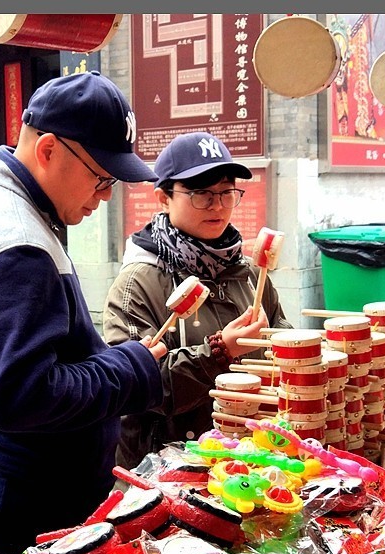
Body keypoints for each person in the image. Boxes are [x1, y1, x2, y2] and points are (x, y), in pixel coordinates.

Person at [0, 71, 167, 554]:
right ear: (49, 149)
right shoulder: (13, 242)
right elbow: (22, 395)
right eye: (100, 177)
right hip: (29, 511)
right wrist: (131, 367)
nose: (105, 196)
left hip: (11, 493)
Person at [103, 131, 291, 470]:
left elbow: (281, 338)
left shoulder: (249, 273)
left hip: (253, 462)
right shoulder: (137, 284)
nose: (218, 206)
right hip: (169, 471)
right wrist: (219, 352)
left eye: (226, 192)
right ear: (164, 197)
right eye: (202, 194)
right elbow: (137, 388)